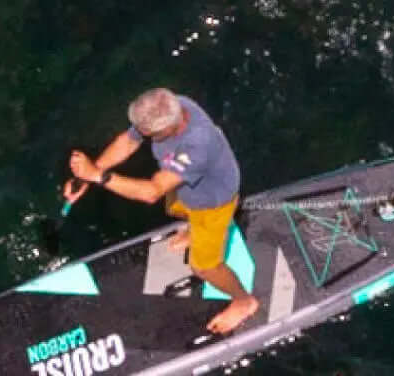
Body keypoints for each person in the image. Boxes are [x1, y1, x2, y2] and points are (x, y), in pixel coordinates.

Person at [65, 87, 260, 335]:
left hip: (213, 202)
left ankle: (244, 302)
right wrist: (91, 174)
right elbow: (128, 141)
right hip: (188, 191)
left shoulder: (198, 144)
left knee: (204, 266)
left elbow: (152, 191)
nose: (143, 134)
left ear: (171, 126)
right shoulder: (171, 106)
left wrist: (97, 175)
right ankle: (192, 231)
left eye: (149, 133)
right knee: (175, 208)